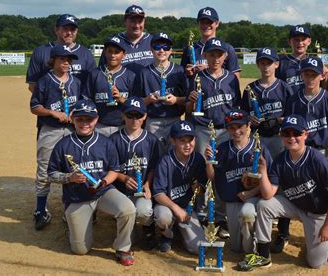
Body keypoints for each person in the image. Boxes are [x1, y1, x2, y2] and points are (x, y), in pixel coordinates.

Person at [237, 115, 328, 271]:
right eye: (287, 134)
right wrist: (263, 171)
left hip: (317, 213)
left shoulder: (318, 160)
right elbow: (267, 194)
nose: (292, 138)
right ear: (281, 136)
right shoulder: (280, 160)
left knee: (315, 263)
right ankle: (263, 255)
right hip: (296, 206)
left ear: (306, 134)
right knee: (265, 205)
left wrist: (327, 225)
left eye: (296, 133)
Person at [47, 99, 137, 266]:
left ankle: (123, 248)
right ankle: (70, 223)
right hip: (77, 198)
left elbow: (114, 170)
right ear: (73, 119)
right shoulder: (63, 145)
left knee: (128, 209)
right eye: (80, 119)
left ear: (96, 120)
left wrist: (103, 182)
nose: (85, 123)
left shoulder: (105, 142)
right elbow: (51, 174)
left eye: (89, 119)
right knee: (80, 250)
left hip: (103, 192)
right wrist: (69, 178)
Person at [277, 56, 328, 258]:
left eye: (314, 74)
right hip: (298, 150)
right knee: (289, 188)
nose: (310, 78)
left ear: (322, 76)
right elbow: (288, 129)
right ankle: (282, 233)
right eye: (306, 74)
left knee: (326, 194)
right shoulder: (294, 99)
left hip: (321, 151)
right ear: (301, 75)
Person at [186, 37, 241, 237]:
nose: (215, 58)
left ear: (225, 56)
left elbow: (236, 108)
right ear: (205, 56)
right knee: (203, 172)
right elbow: (189, 109)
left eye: (219, 54)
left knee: (222, 172)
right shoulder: (198, 78)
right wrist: (191, 102)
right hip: (202, 129)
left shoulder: (231, 80)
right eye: (211, 54)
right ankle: (202, 214)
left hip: (225, 131)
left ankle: (219, 216)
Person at [205, 109, 273, 253]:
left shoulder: (259, 149)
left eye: (240, 127)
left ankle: (252, 252)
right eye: (232, 127)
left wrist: (252, 193)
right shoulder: (222, 149)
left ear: (248, 126)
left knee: (247, 215)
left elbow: (271, 180)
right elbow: (212, 177)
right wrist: (209, 162)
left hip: (254, 199)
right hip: (231, 201)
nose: (236, 131)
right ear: (227, 129)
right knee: (236, 247)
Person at [30, 45, 82, 230]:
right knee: (44, 170)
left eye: (69, 60)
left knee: (72, 168)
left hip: (71, 132)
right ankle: (40, 209)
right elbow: (34, 106)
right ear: (53, 60)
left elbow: (82, 104)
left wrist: (76, 112)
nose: (66, 63)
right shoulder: (44, 81)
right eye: (62, 59)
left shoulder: (76, 82)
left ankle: (70, 209)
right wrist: (53, 113)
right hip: (50, 130)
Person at [110, 97, 160, 250]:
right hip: (121, 191)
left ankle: (148, 226)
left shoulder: (151, 140)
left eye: (138, 116)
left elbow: (154, 166)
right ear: (123, 115)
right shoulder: (114, 139)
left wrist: (147, 183)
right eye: (130, 115)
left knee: (144, 211)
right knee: (128, 235)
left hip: (142, 191)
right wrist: (123, 177)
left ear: (144, 117)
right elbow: (109, 168)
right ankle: (127, 224)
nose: (134, 119)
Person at [152, 120, 208, 253]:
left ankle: (179, 231)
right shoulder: (165, 161)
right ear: (172, 141)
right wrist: (175, 208)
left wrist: (197, 188)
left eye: (190, 140)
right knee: (163, 217)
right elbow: (158, 194)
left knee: (199, 248)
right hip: (167, 206)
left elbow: (200, 191)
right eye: (182, 140)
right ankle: (167, 235)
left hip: (187, 210)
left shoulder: (198, 159)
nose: (188, 145)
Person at [135, 32, 187, 152]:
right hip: (153, 121)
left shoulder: (179, 71)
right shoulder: (144, 73)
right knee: (153, 156)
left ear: (170, 50)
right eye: (157, 47)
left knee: (174, 155)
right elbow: (136, 102)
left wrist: (176, 100)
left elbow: (188, 99)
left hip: (174, 119)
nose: (162, 50)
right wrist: (148, 100)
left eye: (166, 47)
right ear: (151, 50)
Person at [241, 47, 293, 159]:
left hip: (279, 137)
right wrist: (249, 119)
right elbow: (243, 113)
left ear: (276, 64)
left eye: (269, 63)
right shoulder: (250, 89)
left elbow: (291, 114)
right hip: (258, 136)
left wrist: (284, 120)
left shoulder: (285, 88)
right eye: (262, 63)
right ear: (258, 65)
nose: (266, 67)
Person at [26, 14, 96, 92]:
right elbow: (33, 85)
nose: (69, 33)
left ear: (76, 31)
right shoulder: (40, 52)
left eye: (73, 29)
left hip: (80, 102)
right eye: (65, 29)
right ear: (56, 30)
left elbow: (92, 83)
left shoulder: (86, 53)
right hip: (49, 103)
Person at [83, 36, 136, 136]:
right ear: (105, 52)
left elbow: (135, 105)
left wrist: (122, 99)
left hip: (123, 125)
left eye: (116, 52)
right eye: (110, 51)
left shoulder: (130, 76)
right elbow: (87, 99)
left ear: (124, 54)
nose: (112, 55)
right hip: (99, 125)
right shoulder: (95, 74)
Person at [180, 7, 241, 79]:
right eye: (202, 22)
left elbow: (234, 78)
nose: (206, 25)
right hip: (195, 89)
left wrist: (209, 69)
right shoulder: (190, 48)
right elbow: (182, 76)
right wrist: (187, 72)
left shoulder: (227, 48)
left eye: (209, 22)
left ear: (217, 23)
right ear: (198, 24)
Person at [99, 5, 153, 74]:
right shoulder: (113, 43)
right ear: (124, 21)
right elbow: (102, 71)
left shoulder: (153, 41)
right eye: (133, 21)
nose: (136, 25)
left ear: (144, 21)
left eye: (140, 21)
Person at [276, 25, 312, 92]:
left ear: (309, 41)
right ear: (289, 42)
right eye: (296, 40)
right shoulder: (281, 63)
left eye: (303, 39)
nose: (300, 43)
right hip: (289, 101)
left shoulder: (314, 61)